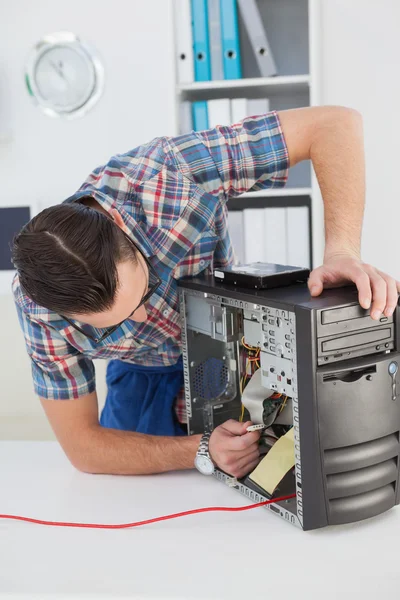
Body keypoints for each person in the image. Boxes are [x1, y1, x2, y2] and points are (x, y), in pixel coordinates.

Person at [11, 107, 400, 479]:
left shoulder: (170, 173)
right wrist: (201, 449)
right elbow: (85, 448)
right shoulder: (37, 308)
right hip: (140, 382)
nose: (144, 319)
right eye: (116, 324)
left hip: (236, 354)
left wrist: (342, 251)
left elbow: (334, 124)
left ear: (124, 231)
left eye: (144, 292)